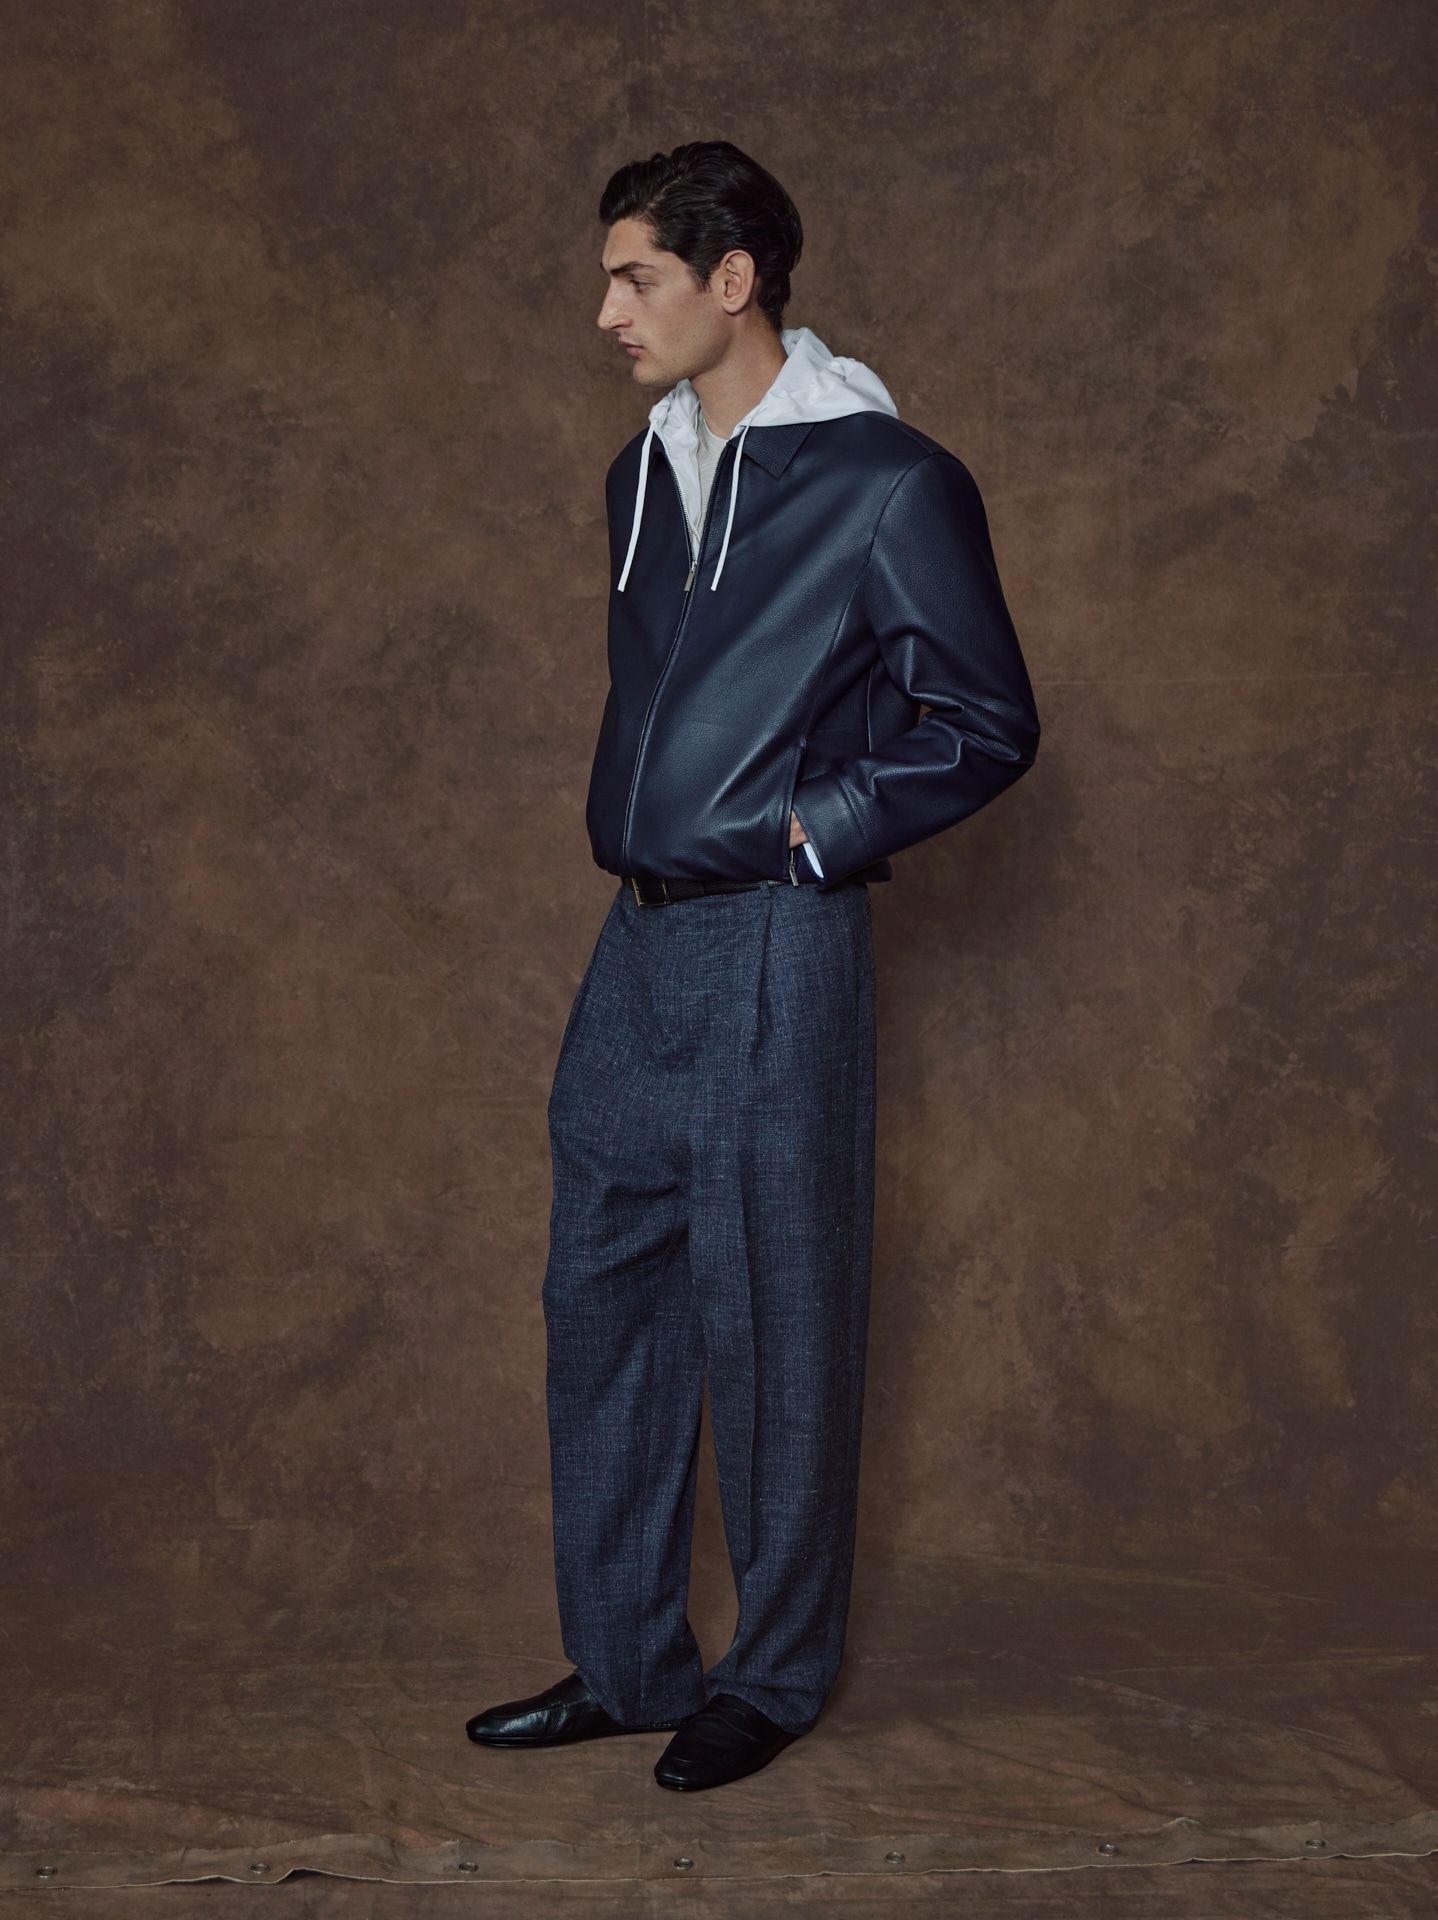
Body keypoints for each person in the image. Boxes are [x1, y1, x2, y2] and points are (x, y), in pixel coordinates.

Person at [466, 141, 1038, 1792]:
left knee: (778, 1307)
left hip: (779, 934)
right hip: (636, 937)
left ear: (734, 281)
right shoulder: (641, 472)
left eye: (634, 276)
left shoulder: (888, 479)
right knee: (602, 1294)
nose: (606, 311)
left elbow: (987, 720)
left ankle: (773, 1680)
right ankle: (631, 1662)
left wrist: (814, 829)